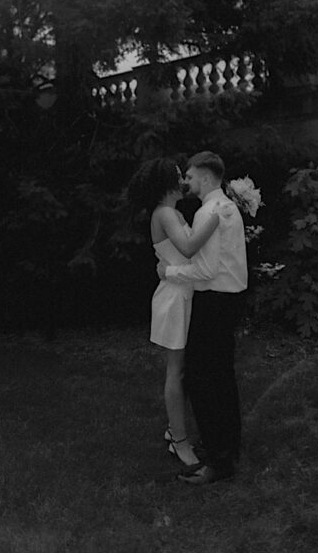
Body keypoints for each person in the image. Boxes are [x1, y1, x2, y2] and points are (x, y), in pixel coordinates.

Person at [157, 151, 248, 485]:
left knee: (203, 381)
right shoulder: (228, 207)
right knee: (221, 378)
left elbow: (207, 270)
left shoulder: (209, 211)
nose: (187, 182)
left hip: (213, 302)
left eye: (192, 177)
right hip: (230, 299)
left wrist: (170, 272)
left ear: (207, 178)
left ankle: (217, 462)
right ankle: (229, 451)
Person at [128, 157, 219, 468]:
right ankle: (178, 440)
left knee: (184, 370)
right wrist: (220, 216)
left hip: (184, 289)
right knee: (176, 370)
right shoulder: (165, 213)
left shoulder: (173, 212)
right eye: (179, 176)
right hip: (175, 297)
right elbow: (190, 247)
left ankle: (179, 431)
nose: (183, 180)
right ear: (166, 183)